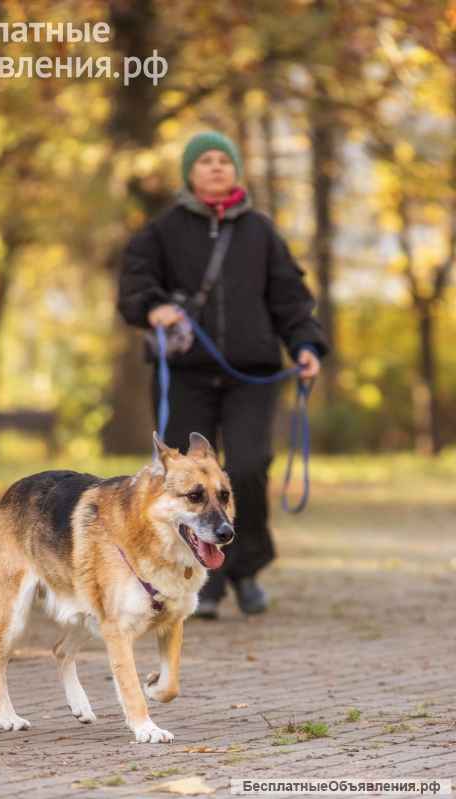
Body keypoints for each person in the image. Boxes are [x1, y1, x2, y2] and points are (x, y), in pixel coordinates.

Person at [117, 131, 329, 619]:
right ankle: (199, 581)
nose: (216, 167)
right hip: (186, 374)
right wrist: (154, 308)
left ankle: (245, 567)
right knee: (183, 484)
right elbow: (134, 285)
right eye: (206, 160)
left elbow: (291, 298)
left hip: (249, 374)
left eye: (224, 161)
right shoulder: (161, 231)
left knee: (248, 468)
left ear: (235, 171)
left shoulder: (260, 231)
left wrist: (305, 345)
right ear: (190, 172)